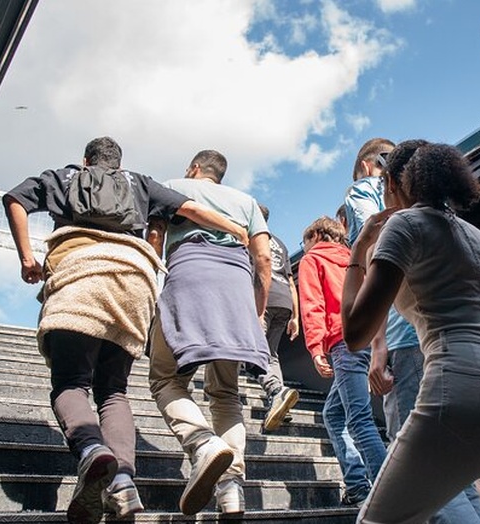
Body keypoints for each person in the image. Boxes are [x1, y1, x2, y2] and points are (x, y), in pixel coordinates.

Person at [3, 137, 248, 524]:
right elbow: (190, 208)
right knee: (113, 391)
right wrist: (234, 228)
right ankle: (122, 484)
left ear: (86, 160)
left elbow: (14, 199)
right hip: (133, 282)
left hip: (80, 274)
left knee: (71, 384)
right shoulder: (139, 182)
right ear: (118, 163)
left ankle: (91, 450)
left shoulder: (63, 177)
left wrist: (27, 258)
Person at [342, 141, 480, 524]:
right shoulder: (477, 236)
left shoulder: (403, 224)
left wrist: (359, 249)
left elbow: (355, 333)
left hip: (461, 385)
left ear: (392, 183)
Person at [148, 149, 272, 516]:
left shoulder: (170, 186)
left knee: (165, 378)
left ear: (194, 168)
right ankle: (231, 488)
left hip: (189, 274)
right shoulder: (246, 202)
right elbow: (263, 259)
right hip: (236, 287)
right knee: (226, 393)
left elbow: (154, 240)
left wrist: (155, 289)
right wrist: (257, 311)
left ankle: (203, 443)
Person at [297, 216, 387, 507]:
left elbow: (313, 304)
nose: (305, 247)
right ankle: (357, 485)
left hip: (343, 342)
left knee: (359, 420)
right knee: (333, 415)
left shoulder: (312, 259)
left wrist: (315, 348)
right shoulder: (354, 257)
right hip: (370, 339)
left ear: (315, 236)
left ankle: (387, 495)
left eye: (304, 241)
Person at [253, 203, 300, 431]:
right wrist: (295, 316)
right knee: (271, 354)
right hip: (284, 302)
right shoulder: (280, 243)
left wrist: (257, 309)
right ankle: (281, 404)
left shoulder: (252, 236)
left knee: (254, 350)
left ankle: (275, 390)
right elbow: (290, 281)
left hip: (265, 299)